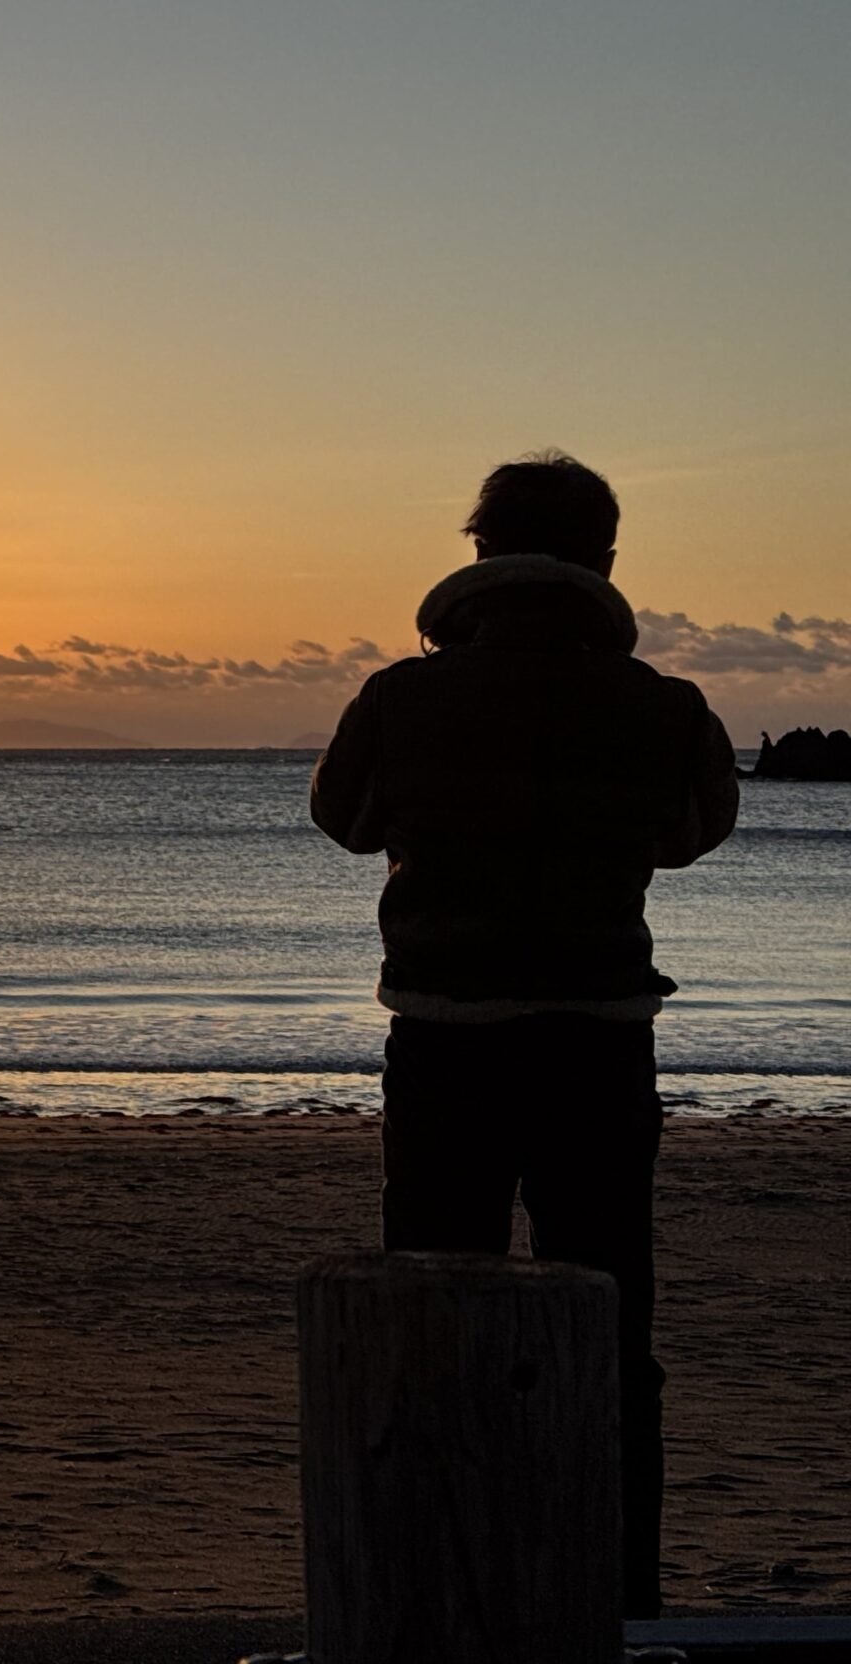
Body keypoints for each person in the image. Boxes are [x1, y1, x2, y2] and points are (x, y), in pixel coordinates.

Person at [310, 450, 738, 1619]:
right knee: (608, 1320)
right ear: (600, 560)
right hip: (599, 1041)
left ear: (480, 554)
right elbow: (694, 831)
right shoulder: (662, 708)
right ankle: (620, 1605)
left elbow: (342, 820)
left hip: (446, 1041)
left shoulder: (403, 698)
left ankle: (428, 1596)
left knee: (432, 1319)